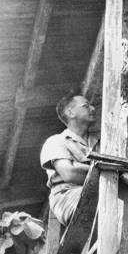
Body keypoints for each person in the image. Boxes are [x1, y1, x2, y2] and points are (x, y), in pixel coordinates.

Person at [40, 94, 99, 226]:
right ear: (70, 112)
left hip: (98, 190)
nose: (93, 108)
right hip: (68, 195)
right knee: (109, 195)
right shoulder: (56, 141)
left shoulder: (100, 143)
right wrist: (106, 171)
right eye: (86, 106)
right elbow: (70, 173)